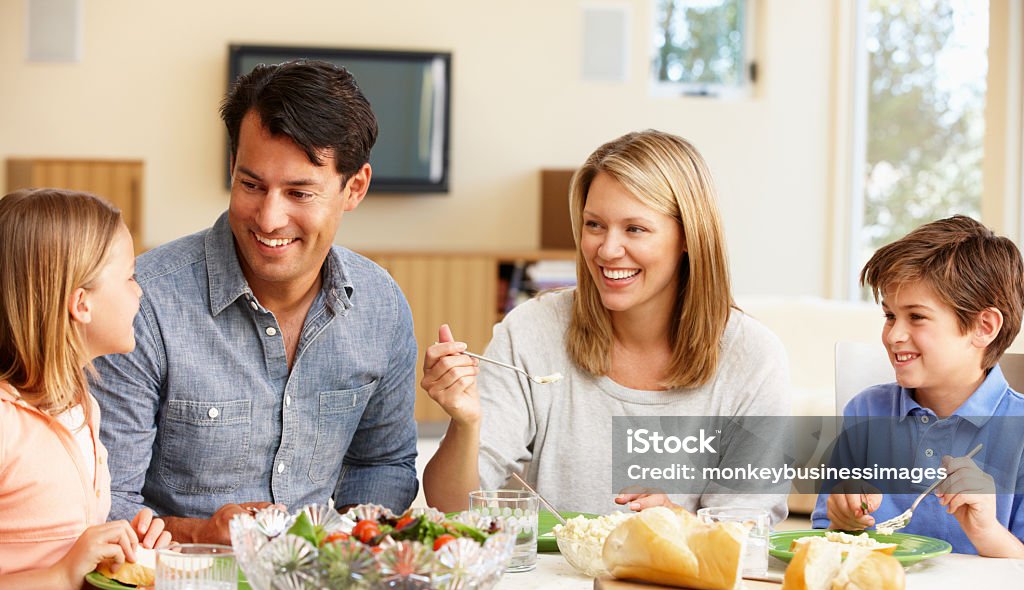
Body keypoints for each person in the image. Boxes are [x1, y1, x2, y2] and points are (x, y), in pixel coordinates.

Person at [92, 60, 419, 545]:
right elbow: (105, 501)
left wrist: (351, 538)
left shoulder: (380, 304)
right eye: (251, 185)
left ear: (355, 187)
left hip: (314, 588)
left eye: (299, 192)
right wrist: (201, 532)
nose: (268, 218)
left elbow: (384, 461)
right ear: (232, 168)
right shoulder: (146, 303)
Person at [421, 130, 791, 519]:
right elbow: (450, 507)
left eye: (635, 229)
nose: (607, 250)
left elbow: (746, 533)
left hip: (678, 582)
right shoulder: (531, 330)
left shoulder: (753, 357)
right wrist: (466, 424)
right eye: (595, 225)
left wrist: (679, 524)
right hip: (553, 577)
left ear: (688, 236)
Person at [0, 188, 172, 590]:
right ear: (82, 304)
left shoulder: (82, 408)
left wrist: (125, 536)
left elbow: (69, 540)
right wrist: (61, 575)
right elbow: (63, 566)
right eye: (130, 277)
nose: (140, 293)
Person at [812, 216, 1024, 557]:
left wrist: (988, 531)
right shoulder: (865, 411)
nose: (893, 335)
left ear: (984, 327)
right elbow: (824, 537)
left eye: (917, 317)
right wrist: (841, 521)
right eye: (890, 316)